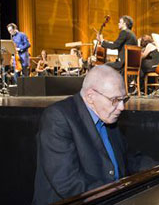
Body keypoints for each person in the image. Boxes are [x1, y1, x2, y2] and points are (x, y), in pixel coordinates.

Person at [33, 65, 135, 204]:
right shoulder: (58, 117)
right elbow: (68, 182)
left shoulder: (108, 114)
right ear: (90, 96)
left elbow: (129, 159)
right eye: (115, 100)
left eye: (124, 99)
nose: (122, 107)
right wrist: (118, 195)